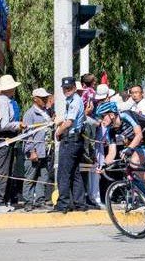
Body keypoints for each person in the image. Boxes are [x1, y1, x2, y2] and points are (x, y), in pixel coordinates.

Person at [53, 77, 87, 213]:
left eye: (69, 88)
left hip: (71, 140)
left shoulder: (75, 101)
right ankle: (80, 203)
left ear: (74, 88)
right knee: (75, 172)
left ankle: (63, 203)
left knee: (64, 173)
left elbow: (69, 122)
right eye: (65, 88)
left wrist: (58, 131)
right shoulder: (72, 100)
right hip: (75, 140)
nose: (67, 91)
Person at [0, 75, 24, 213]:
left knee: (7, 170)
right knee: (2, 170)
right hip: (3, 139)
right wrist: (18, 125)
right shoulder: (3, 102)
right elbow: (3, 124)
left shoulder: (8, 101)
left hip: (8, 139)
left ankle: (4, 201)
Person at [22, 88, 53, 211]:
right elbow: (27, 134)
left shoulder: (46, 112)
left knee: (43, 176)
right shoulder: (30, 114)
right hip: (34, 151)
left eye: (46, 98)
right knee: (30, 177)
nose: (45, 100)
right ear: (35, 99)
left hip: (45, 150)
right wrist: (31, 150)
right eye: (43, 98)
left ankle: (40, 200)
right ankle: (28, 201)